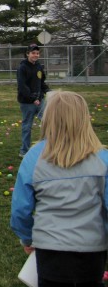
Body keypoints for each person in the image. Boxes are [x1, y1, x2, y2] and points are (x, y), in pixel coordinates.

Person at [10, 90, 108, 286]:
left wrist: (27, 238)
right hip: (92, 251)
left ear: (48, 118)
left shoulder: (34, 157)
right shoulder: (102, 159)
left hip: (50, 250)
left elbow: (21, 210)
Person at [17, 43, 49, 157]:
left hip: (40, 101)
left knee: (47, 123)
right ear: (28, 54)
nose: (35, 55)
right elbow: (22, 86)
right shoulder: (23, 67)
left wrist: (48, 91)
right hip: (27, 103)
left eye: (37, 53)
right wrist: (32, 98)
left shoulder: (39, 66)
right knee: (27, 126)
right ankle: (24, 151)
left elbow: (41, 82)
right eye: (33, 53)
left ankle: (47, 148)